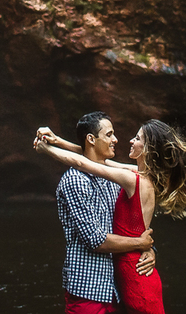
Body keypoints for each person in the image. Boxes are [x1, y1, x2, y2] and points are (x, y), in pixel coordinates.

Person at [35, 116, 186, 314]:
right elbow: (95, 159)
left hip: (129, 280)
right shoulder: (136, 174)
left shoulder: (130, 179)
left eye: (137, 139)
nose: (127, 140)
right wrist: (59, 141)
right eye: (110, 134)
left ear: (148, 150)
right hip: (111, 281)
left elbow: (86, 163)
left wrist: (48, 150)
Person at [41, 111, 156, 314]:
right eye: (109, 135)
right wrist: (141, 243)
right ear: (91, 139)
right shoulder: (75, 181)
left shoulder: (115, 178)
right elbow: (95, 240)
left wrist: (148, 250)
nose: (116, 140)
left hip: (118, 288)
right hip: (88, 290)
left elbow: (128, 225)